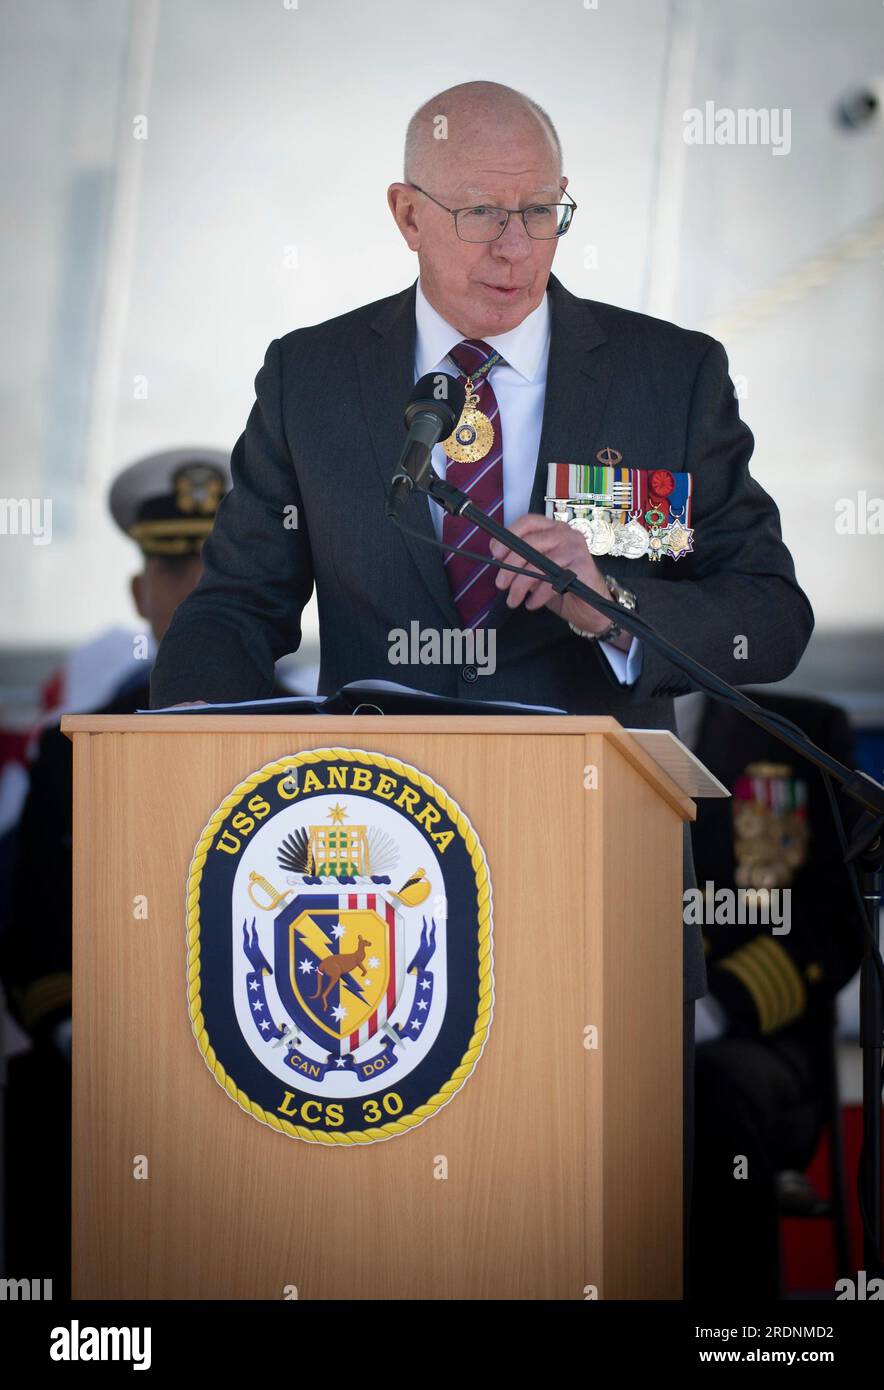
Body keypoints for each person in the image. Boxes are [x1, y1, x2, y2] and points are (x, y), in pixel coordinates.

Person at [148, 81, 815, 1286]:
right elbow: (235, 611)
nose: (516, 247)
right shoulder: (313, 378)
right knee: (387, 1233)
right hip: (367, 882)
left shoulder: (668, 378)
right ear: (404, 214)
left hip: (591, 878)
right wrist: (182, 763)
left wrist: (614, 603)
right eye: (479, 215)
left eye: (542, 213)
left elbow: (768, 615)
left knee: (595, 1225)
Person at [0, 447, 230, 1296]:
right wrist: (85, 1042)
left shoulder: (334, 729)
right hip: (110, 1081)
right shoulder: (78, 748)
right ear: (142, 595)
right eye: (176, 566)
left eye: (223, 564)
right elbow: (30, 930)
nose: (199, 586)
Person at [677, 689, 865, 1298]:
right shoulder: (571, 723)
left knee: (707, 1090)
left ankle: (735, 1337)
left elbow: (835, 928)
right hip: (604, 1037)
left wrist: (712, 1006)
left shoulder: (799, 733)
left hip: (757, 1046)